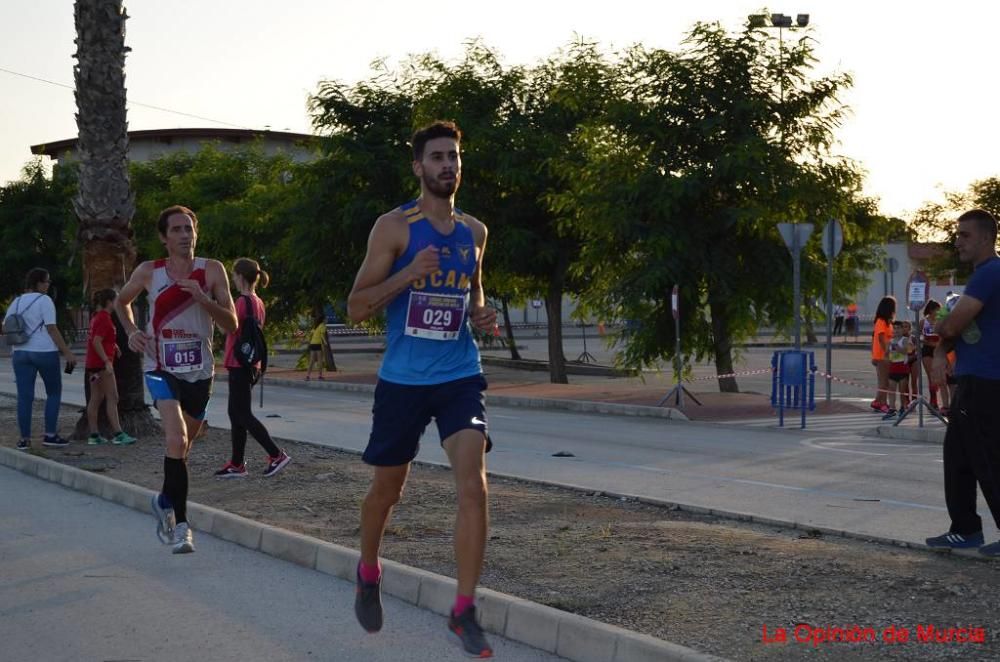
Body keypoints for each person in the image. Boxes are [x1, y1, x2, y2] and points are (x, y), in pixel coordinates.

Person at [347, 121, 498, 657]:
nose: (448, 165)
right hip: (404, 380)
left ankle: (464, 610)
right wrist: (410, 272)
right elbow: (357, 306)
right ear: (419, 167)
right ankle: (368, 568)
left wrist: (481, 316)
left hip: (459, 374)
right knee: (388, 491)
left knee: (474, 485)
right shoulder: (394, 228)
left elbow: (473, 296)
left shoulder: (475, 233)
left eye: (454, 157)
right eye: (437, 157)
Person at [115, 205, 237, 554]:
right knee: (175, 438)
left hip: (200, 371)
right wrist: (132, 331)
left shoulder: (211, 271)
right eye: (177, 230)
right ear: (164, 238)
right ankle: (181, 526)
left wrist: (202, 299)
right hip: (160, 365)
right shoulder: (149, 272)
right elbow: (122, 302)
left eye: (189, 229)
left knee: (184, 445)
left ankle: (166, 498)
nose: (185, 235)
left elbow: (231, 324)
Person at [926, 209, 1000, 557]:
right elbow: (955, 331)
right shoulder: (983, 275)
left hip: (986, 381)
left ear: (986, 238)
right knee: (958, 456)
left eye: (965, 235)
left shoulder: (990, 273)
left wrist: (938, 329)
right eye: (958, 235)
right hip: (973, 378)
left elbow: (953, 326)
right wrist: (941, 353)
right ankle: (966, 528)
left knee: (987, 458)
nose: (958, 241)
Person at [214, 258, 290, 478]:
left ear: (240, 276)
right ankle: (237, 464)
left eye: (234, 276)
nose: (232, 279)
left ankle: (276, 454)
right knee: (234, 413)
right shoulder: (258, 302)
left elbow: (226, 328)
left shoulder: (240, 302)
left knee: (243, 414)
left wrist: (215, 311)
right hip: (250, 363)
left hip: (239, 363)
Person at [4, 268, 77, 450]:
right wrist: (67, 352)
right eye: (46, 282)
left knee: (24, 397)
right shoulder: (44, 300)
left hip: (20, 352)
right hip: (44, 351)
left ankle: (24, 439)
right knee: (53, 393)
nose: (48, 285)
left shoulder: (17, 301)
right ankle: (50, 435)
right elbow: (52, 328)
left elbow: (5, 327)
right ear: (38, 283)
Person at [84, 289, 137, 446]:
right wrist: (107, 361)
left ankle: (94, 435)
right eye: (115, 300)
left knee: (96, 398)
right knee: (112, 397)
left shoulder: (97, 317)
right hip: (101, 366)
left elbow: (99, 338)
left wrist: (114, 346)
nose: (117, 303)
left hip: (93, 365)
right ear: (109, 302)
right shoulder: (104, 319)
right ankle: (118, 433)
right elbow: (96, 341)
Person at [921, 299, 948, 413]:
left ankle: (944, 403)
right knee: (931, 375)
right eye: (937, 310)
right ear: (931, 310)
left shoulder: (941, 321)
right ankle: (933, 402)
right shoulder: (923, 321)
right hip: (927, 349)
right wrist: (927, 342)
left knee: (940, 376)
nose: (938, 312)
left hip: (939, 349)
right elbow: (919, 337)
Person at [870, 296, 895, 414]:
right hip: (882, 355)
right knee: (884, 382)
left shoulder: (887, 322)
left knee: (883, 380)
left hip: (885, 355)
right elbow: (881, 338)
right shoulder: (881, 321)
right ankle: (882, 403)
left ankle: (878, 402)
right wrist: (887, 353)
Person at [883, 320, 912, 419]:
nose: (896, 330)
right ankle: (892, 408)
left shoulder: (905, 339)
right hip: (893, 367)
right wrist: (886, 358)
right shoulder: (890, 341)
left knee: (902, 390)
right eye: (894, 328)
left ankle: (903, 408)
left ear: (902, 330)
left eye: (898, 328)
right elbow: (886, 353)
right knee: (891, 389)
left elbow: (907, 351)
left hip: (902, 367)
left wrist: (897, 348)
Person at [305, 313, 327, 381]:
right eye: (326, 319)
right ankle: (320, 376)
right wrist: (325, 343)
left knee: (312, 361)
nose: (327, 320)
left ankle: (307, 376)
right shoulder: (323, 326)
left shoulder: (315, 326)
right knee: (320, 361)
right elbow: (322, 336)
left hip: (312, 344)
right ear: (323, 320)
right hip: (318, 344)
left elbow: (311, 335)